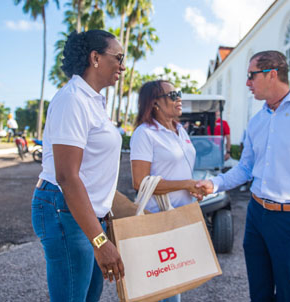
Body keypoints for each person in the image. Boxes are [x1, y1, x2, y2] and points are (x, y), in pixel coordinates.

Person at [197, 50, 290, 302]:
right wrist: (214, 184)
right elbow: (244, 169)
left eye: (251, 76)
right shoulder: (256, 122)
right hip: (256, 217)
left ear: (272, 74)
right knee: (259, 295)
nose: (247, 83)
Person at [31, 29, 126, 301]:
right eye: (118, 57)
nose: (122, 65)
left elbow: (92, 171)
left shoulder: (93, 101)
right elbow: (67, 176)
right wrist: (99, 240)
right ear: (95, 58)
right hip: (64, 209)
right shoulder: (72, 99)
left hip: (85, 213)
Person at [130, 80, 207, 302]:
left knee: (175, 280)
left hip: (182, 215)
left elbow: (181, 169)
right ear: (154, 103)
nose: (179, 98)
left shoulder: (180, 130)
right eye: (173, 95)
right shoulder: (144, 134)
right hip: (159, 218)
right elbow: (140, 182)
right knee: (164, 286)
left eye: (179, 93)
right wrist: (185, 184)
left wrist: (193, 187)